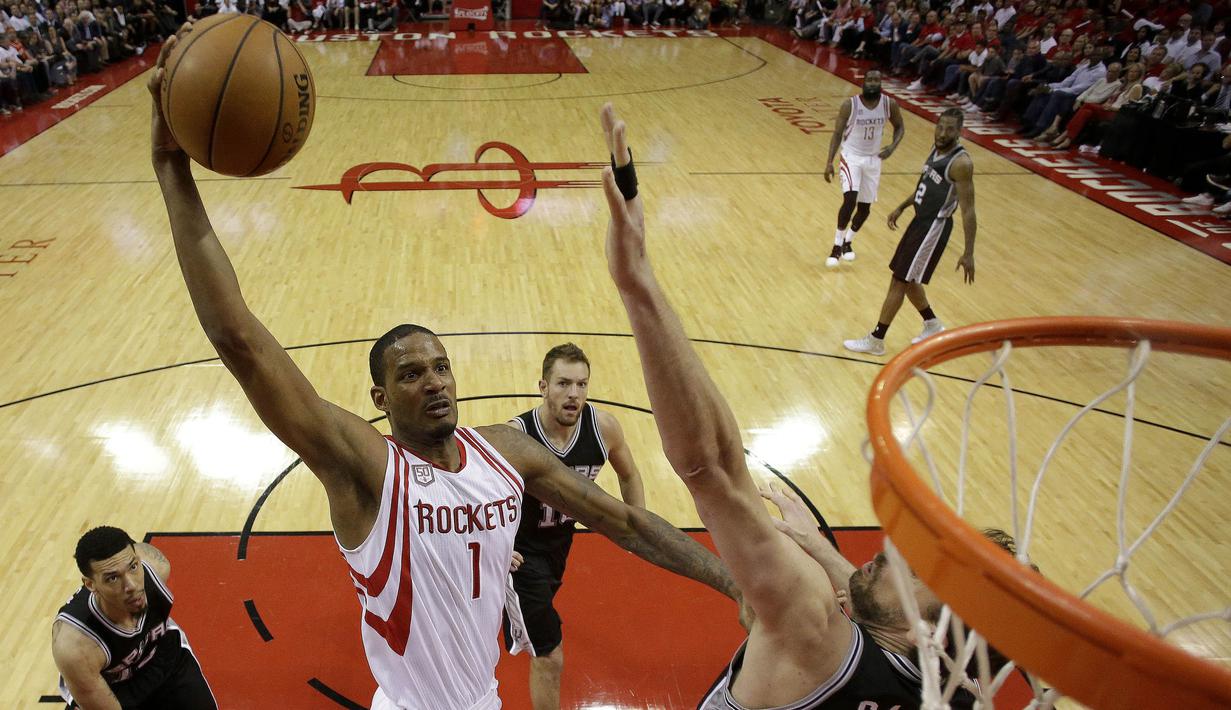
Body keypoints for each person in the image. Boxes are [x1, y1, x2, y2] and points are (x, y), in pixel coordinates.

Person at [146, 28, 738, 710]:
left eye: (441, 366)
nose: (433, 381)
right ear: (379, 395)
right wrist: (171, 167)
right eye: (410, 373)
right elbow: (238, 339)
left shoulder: (507, 451)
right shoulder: (364, 469)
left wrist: (732, 583)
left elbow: (627, 524)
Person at [594, 103, 982, 709]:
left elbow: (712, 468)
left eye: (924, 570)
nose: (894, 551)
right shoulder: (960, 694)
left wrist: (637, 281)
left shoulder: (815, 629)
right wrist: (827, 552)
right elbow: (878, 620)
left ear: (930, 629)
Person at [502, 343, 647, 710]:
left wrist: (637, 527)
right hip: (520, 557)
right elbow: (477, 496)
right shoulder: (516, 437)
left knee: (531, 626)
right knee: (549, 654)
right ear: (543, 386)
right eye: (564, 384)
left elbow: (629, 475)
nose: (574, 394)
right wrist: (496, 548)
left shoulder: (603, 429)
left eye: (581, 384)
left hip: (558, 549)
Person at [843, 108, 976, 356]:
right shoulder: (936, 148)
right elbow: (924, 186)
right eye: (940, 126)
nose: (943, 132)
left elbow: (969, 210)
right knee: (908, 277)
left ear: (959, 132)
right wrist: (903, 207)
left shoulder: (961, 163)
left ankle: (877, 339)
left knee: (899, 280)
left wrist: (968, 252)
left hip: (934, 227)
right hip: (919, 221)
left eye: (950, 129)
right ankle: (933, 324)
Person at [52, 526, 217, 709]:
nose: (131, 585)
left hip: (162, 658)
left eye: (133, 566)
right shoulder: (76, 646)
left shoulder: (156, 569)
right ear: (90, 584)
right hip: (113, 689)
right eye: (113, 578)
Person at [823, 70, 905, 267]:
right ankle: (836, 246)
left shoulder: (889, 104)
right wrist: (829, 162)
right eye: (869, 79)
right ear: (863, 82)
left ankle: (847, 241)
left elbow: (900, 127)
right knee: (850, 199)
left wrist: (892, 148)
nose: (872, 83)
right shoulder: (850, 105)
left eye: (876, 79)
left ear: (881, 83)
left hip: (873, 159)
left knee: (865, 208)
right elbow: (837, 134)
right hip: (851, 157)